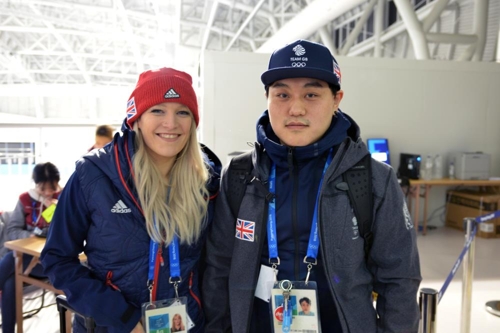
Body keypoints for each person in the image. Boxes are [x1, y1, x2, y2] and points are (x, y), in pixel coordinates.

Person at [202, 40, 421, 332]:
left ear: (336, 99)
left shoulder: (371, 178)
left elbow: (399, 281)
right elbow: (219, 269)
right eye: (282, 94)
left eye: (311, 94)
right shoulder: (240, 175)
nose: (295, 108)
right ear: (267, 98)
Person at [41, 67, 221, 333]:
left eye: (182, 112)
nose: (171, 123)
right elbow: (58, 259)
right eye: (157, 110)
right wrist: (122, 318)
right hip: (111, 326)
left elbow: (214, 262)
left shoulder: (207, 181)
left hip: (183, 324)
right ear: (135, 118)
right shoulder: (93, 174)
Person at [0, 162, 61, 333]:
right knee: (10, 283)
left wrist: (58, 211)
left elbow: (71, 229)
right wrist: (31, 237)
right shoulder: (25, 200)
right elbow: (12, 231)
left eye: (52, 187)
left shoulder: (64, 197)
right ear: (36, 184)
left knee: (10, 264)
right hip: (26, 259)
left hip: (51, 263)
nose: (48, 193)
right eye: (43, 189)